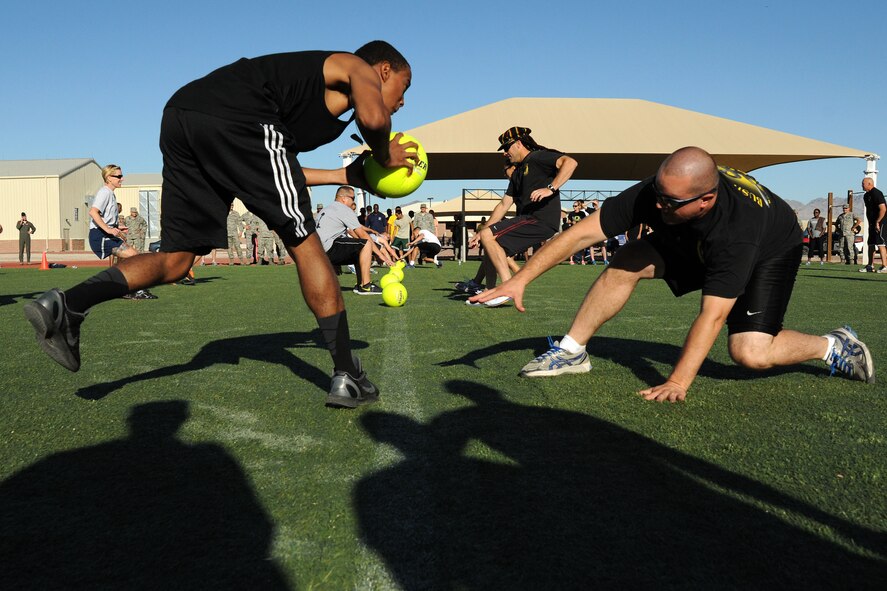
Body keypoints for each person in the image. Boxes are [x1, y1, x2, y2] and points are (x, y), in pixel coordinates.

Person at [24, 41, 416, 410]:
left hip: (183, 117)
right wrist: (385, 155)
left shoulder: (311, 108)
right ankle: (347, 373)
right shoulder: (354, 64)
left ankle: (67, 304)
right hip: (235, 120)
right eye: (404, 86)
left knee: (177, 260)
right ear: (383, 70)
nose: (402, 101)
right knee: (305, 243)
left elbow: (278, 164)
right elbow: (374, 118)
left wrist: (345, 174)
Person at [472, 147, 875, 401]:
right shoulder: (659, 194)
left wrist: (678, 382)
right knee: (626, 259)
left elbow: (712, 316)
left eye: (671, 202)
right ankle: (572, 350)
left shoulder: (735, 233)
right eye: (658, 196)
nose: (659, 207)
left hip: (771, 244)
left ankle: (833, 346)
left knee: (749, 353)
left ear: (706, 199)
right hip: (698, 235)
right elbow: (580, 234)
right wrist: (520, 278)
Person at [467, 126, 578, 307]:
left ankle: (507, 289)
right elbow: (503, 205)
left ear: (518, 144)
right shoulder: (518, 172)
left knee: (489, 236)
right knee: (489, 242)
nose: (504, 153)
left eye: (506, 148)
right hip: (531, 220)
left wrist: (551, 188)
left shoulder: (537, 157)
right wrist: (481, 232)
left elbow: (570, 162)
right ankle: (491, 293)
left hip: (540, 219)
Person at [316, 185, 389, 293]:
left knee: (358, 248)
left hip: (319, 252)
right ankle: (366, 286)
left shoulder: (327, 209)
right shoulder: (343, 209)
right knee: (365, 244)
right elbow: (363, 235)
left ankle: (360, 284)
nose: (353, 202)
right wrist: (381, 255)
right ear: (344, 198)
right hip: (329, 248)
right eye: (352, 198)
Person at [860, 177, 887, 273]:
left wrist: (877, 222)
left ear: (869, 183)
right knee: (871, 243)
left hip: (880, 222)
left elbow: (883, 209)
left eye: (863, 183)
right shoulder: (866, 196)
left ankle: (885, 266)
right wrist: (871, 222)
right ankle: (870, 266)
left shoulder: (877, 193)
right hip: (871, 223)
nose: (861, 185)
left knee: (880, 243)